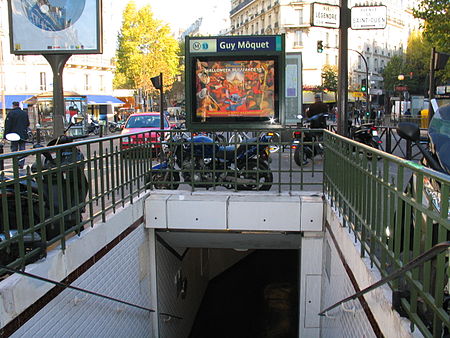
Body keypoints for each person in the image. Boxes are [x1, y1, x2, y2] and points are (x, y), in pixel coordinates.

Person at [4, 101, 30, 168]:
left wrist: (5, 135)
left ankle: (15, 162)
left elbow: (8, 125)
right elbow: (27, 123)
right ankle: (21, 163)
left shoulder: (11, 113)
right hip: (23, 133)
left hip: (14, 134)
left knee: (14, 149)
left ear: (13, 105)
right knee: (22, 149)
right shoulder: (24, 113)